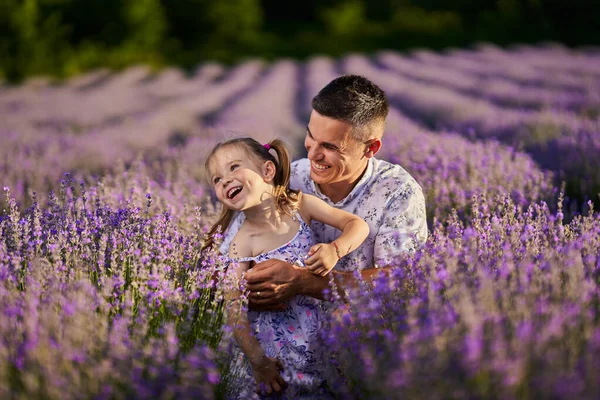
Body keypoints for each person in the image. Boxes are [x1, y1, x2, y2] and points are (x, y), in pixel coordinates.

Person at [221, 74, 428, 311]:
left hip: (361, 337)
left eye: (329, 147)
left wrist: (304, 282)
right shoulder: (286, 180)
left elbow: (400, 281)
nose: (312, 155)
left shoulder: (397, 192)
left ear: (371, 148)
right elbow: (234, 259)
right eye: (310, 136)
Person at [202, 137, 369, 398]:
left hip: (320, 339)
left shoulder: (300, 206)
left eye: (234, 167)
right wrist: (260, 364)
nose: (224, 180)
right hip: (276, 355)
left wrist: (335, 249)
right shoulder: (241, 242)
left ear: (268, 170)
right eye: (216, 179)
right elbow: (233, 308)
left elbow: (357, 225)